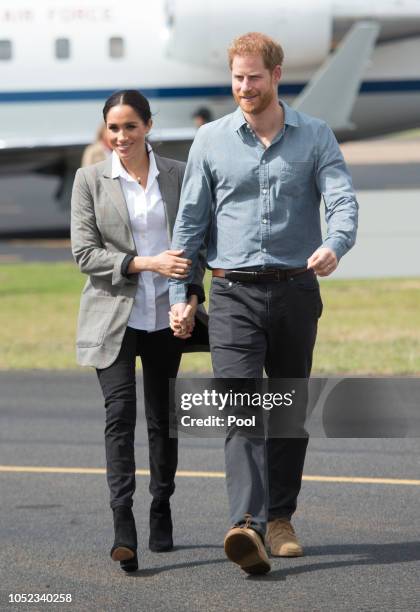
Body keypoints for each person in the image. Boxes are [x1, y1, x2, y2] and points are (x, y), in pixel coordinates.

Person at [169, 32, 358, 575]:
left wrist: (334, 243)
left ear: (276, 76)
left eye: (253, 77)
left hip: (297, 290)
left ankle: (280, 520)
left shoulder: (316, 136)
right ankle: (247, 524)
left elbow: (342, 198)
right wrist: (186, 292)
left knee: (287, 412)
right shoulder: (210, 139)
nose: (244, 87)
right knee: (241, 406)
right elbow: (191, 222)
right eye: (237, 78)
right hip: (232, 293)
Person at [71, 89, 208, 573]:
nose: (121, 136)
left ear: (148, 125)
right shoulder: (89, 179)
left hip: (167, 317)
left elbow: (197, 247)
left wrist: (191, 299)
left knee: (162, 419)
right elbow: (85, 254)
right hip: (112, 318)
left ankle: (161, 505)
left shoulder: (179, 173)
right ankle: (122, 524)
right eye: (113, 128)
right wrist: (146, 262)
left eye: (130, 126)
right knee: (119, 416)